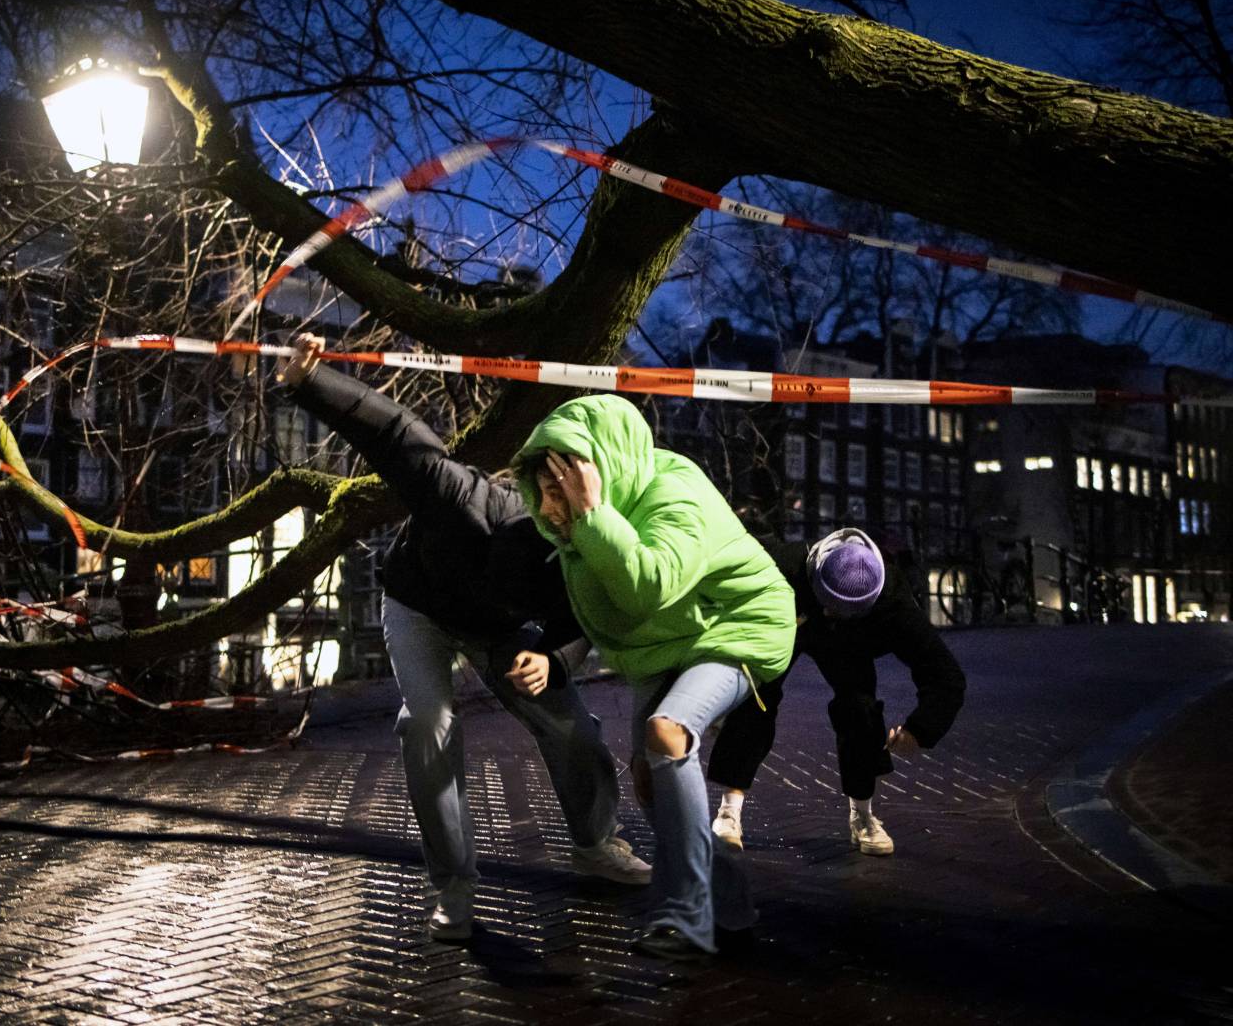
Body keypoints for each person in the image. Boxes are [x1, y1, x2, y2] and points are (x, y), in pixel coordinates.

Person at [279, 335, 650, 943]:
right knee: (429, 723)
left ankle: (595, 843)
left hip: (501, 630)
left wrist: (552, 659)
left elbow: (583, 618)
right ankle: (453, 885)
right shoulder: (456, 495)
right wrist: (311, 381)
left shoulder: (579, 554)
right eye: (547, 505)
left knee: (571, 727)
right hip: (419, 605)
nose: (558, 518)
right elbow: (394, 430)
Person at [515, 395, 795, 960]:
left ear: (600, 473)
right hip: (667, 643)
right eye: (542, 491)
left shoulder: (675, 493)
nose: (546, 508)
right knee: (652, 783)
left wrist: (593, 513)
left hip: (741, 627)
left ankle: (688, 918)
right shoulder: (582, 523)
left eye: (557, 491)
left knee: (667, 734)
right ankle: (732, 908)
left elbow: (647, 588)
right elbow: (599, 608)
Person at [705, 527, 967, 856]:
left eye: (840, 610)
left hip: (849, 641)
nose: (831, 613)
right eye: (829, 605)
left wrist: (921, 729)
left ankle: (863, 816)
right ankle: (729, 810)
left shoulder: (892, 602)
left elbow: (945, 673)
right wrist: (719, 697)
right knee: (757, 697)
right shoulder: (784, 567)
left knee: (860, 708)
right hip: (791, 618)